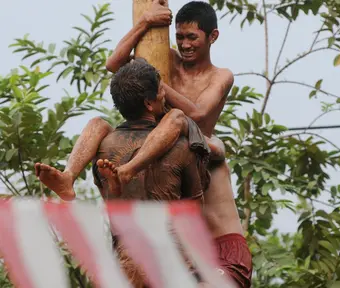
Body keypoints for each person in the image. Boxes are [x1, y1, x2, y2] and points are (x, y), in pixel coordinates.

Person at [35, 1, 252, 287]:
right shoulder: (167, 61)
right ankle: (67, 177)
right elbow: (114, 64)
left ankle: (129, 172)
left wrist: (156, 85)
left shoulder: (220, 76)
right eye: (180, 37)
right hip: (175, 229)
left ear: (212, 37)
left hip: (207, 189)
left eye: (192, 38)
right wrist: (145, 22)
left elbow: (197, 113)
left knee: (191, 132)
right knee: (100, 126)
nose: (185, 44)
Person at [96, 59, 209, 287]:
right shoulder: (180, 147)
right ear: (149, 102)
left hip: (126, 264)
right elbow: (195, 210)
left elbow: (108, 199)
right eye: (161, 90)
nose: (164, 95)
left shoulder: (103, 148)